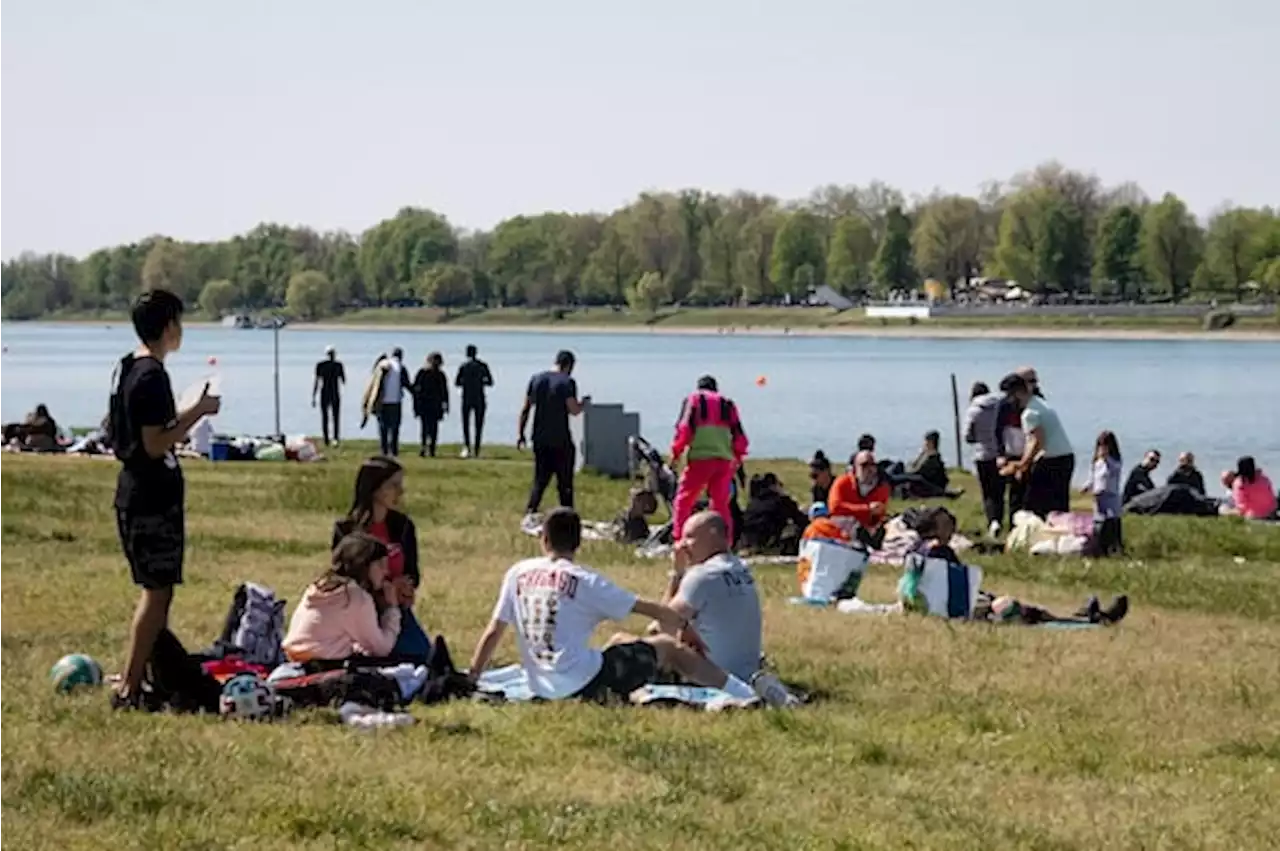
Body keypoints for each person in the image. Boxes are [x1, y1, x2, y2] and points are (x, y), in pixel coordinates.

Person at [466, 508, 793, 706]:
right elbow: (657, 616)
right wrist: (683, 627)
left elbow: (494, 630)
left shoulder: (517, 574)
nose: (680, 544)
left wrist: (474, 677)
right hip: (579, 683)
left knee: (623, 644)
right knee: (659, 646)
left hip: (541, 682)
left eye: (688, 537)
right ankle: (743, 693)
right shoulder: (586, 581)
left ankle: (723, 692)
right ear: (578, 543)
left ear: (543, 540)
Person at [108, 290, 221, 709]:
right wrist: (198, 411)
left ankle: (151, 675)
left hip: (136, 490)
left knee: (158, 592)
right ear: (168, 326)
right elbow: (154, 443)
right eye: (179, 321)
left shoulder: (127, 368)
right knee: (156, 594)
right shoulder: (152, 375)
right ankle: (131, 686)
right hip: (150, 496)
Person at [905, 507, 1128, 625]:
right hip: (960, 608)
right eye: (946, 524)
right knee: (1015, 608)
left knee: (1016, 607)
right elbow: (955, 587)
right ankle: (1083, 619)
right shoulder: (938, 552)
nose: (951, 528)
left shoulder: (916, 552)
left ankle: (1079, 616)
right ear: (934, 528)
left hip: (952, 605)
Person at [332, 457, 429, 662]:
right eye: (393, 485)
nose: (400, 492)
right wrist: (385, 588)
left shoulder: (403, 526)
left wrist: (405, 587)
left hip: (395, 609)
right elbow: (341, 577)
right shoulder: (346, 529)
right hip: (359, 611)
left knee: (421, 656)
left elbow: (413, 573)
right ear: (374, 488)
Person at [657, 512, 763, 681]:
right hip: (747, 672)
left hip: (710, 676)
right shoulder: (742, 569)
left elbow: (663, 624)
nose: (681, 546)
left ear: (712, 535)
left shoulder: (703, 575)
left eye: (689, 537)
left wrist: (677, 574)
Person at [283, 533, 402, 662]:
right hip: (324, 667)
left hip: (294, 660)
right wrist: (392, 609)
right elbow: (382, 649)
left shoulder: (318, 587)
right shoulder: (355, 598)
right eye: (380, 565)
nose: (386, 571)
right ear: (364, 565)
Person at [669, 375, 749, 543]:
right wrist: (738, 456)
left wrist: (676, 452)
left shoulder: (694, 400)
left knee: (684, 501)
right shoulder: (727, 404)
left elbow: (684, 428)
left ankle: (681, 540)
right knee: (721, 505)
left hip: (700, 458)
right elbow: (739, 434)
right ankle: (724, 543)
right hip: (724, 461)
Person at [518, 350, 588, 523]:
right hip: (560, 439)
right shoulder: (567, 382)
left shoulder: (536, 379)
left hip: (539, 438)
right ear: (569, 365)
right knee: (564, 483)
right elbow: (573, 410)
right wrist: (584, 404)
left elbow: (526, 408)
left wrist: (521, 433)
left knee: (540, 480)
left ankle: (530, 511)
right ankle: (568, 517)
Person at [1000, 373, 1074, 518]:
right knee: (1059, 505)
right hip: (1065, 457)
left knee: (1035, 504)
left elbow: (1036, 441)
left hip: (1052, 461)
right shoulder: (1041, 404)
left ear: (1018, 393)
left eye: (1009, 395)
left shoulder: (1029, 413)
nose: (1008, 400)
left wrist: (1022, 465)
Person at [963, 381, 1006, 537]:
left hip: (982, 455)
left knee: (988, 492)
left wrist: (978, 437)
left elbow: (968, 436)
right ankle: (1000, 520)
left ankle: (992, 522)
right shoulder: (1000, 406)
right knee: (1000, 492)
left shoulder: (973, 410)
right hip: (1001, 454)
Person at [738, 472, 808, 555]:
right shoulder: (781, 501)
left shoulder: (753, 503)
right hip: (767, 541)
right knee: (794, 527)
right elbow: (799, 519)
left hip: (747, 541)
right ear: (773, 486)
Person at [1081, 430, 1123, 556]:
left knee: (1112, 521)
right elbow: (1092, 477)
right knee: (1099, 522)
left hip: (1111, 495)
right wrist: (1086, 486)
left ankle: (1115, 547)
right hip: (1099, 495)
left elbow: (1114, 470)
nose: (1103, 448)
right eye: (1100, 445)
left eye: (1105, 445)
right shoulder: (1096, 462)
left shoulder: (1115, 461)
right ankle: (1099, 548)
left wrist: (1106, 459)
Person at [828, 450, 892, 533]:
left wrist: (877, 513)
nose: (869, 469)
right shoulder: (842, 482)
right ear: (855, 468)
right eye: (864, 465)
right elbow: (835, 508)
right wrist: (867, 509)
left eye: (872, 465)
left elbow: (879, 517)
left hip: (867, 531)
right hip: (842, 529)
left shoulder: (882, 488)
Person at [455, 344, 493, 458]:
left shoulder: (463, 366)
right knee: (479, 425)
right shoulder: (483, 366)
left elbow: (457, 382)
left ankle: (467, 447)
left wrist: (466, 383)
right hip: (479, 397)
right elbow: (490, 382)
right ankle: (477, 449)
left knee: (465, 424)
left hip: (466, 398)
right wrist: (481, 382)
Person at [412, 352, 449, 458]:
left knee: (432, 428)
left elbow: (444, 392)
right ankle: (425, 447)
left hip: (433, 405)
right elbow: (416, 390)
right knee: (426, 427)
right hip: (426, 404)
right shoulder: (424, 373)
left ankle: (430, 448)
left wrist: (445, 404)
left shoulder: (439, 374)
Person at [376, 348, 409, 456]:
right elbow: (406, 383)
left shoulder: (383, 365)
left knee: (383, 427)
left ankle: (383, 449)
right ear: (401, 356)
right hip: (395, 401)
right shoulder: (401, 367)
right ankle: (394, 450)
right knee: (394, 427)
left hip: (382, 401)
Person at [311, 345, 345, 447]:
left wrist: (313, 395)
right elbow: (343, 380)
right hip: (334, 392)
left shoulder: (320, 365)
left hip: (324, 392)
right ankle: (335, 438)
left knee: (325, 417)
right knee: (336, 417)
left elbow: (317, 381)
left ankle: (326, 439)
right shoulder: (338, 365)